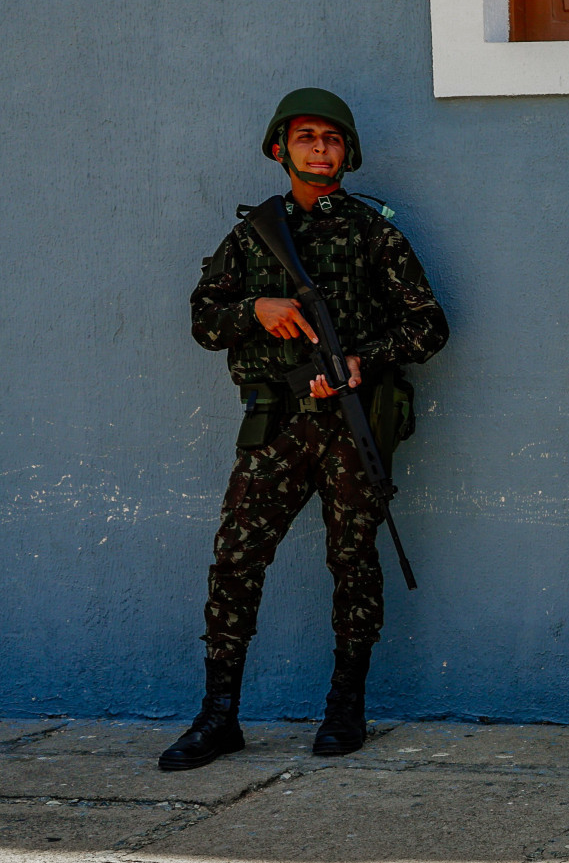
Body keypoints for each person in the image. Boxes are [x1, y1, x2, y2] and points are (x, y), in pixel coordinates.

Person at [162, 88, 448, 770]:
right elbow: (204, 319)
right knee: (236, 559)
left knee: (353, 564)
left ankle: (346, 706)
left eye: (332, 139)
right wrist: (256, 308)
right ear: (280, 148)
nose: (321, 148)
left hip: (351, 428)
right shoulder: (253, 236)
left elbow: (429, 325)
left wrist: (360, 361)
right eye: (307, 137)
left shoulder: (375, 232)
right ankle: (219, 715)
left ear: (348, 153)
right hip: (276, 426)